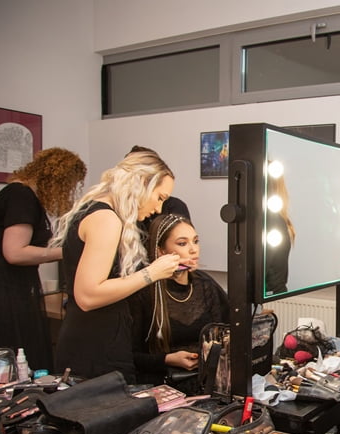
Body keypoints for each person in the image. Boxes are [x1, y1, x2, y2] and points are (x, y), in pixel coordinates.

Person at [50, 149, 181, 384]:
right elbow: (88, 296)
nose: (159, 209)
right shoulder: (106, 219)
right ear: (141, 184)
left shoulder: (94, 211)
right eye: (160, 197)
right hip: (94, 348)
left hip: (95, 339)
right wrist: (152, 273)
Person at [0, 148, 86, 372]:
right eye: (70, 184)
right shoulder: (22, 196)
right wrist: (68, 251)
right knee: (4, 351)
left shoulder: (20, 194)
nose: (69, 191)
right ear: (59, 179)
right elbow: (15, 253)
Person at [129, 214, 229, 386]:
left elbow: (226, 329)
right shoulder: (145, 292)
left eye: (196, 241)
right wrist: (167, 359)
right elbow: (131, 356)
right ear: (161, 250)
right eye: (182, 243)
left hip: (206, 383)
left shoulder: (205, 284)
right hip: (161, 384)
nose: (193, 249)